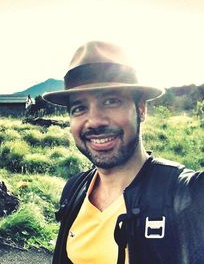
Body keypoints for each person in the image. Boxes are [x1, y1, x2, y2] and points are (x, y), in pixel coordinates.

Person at [42, 41, 204, 264]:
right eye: (79, 108)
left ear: (141, 109)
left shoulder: (187, 196)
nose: (95, 121)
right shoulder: (74, 190)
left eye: (111, 101)